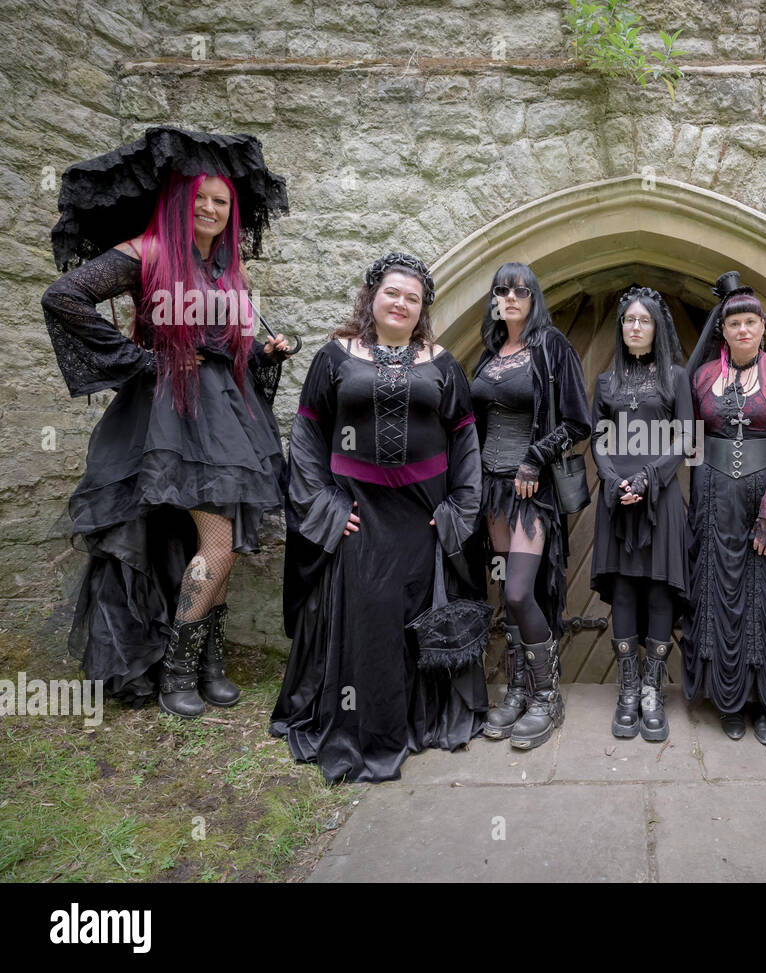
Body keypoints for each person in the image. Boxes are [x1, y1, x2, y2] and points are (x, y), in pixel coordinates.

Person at [43, 166, 290, 719]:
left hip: (225, 414)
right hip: (173, 413)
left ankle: (206, 665)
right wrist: (143, 360)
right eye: (199, 199)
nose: (209, 209)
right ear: (179, 203)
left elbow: (232, 346)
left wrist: (267, 350)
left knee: (220, 539)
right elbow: (65, 296)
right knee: (219, 542)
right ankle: (180, 670)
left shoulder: (230, 268)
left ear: (231, 213)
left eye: (221, 202)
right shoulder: (147, 251)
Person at [271, 252, 485, 783]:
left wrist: (460, 507)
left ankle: (418, 721)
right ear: (372, 297)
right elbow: (307, 434)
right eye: (393, 293)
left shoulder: (441, 363)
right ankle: (368, 727)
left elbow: (465, 440)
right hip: (359, 516)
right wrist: (322, 504)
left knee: (412, 616)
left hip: (421, 518)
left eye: (413, 298)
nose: (401, 303)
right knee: (370, 615)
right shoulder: (335, 356)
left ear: (423, 310)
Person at [472, 262, 591, 750]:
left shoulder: (551, 346)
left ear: (534, 296)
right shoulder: (488, 355)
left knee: (520, 591)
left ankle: (547, 696)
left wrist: (533, 459)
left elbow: (577, 421)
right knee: (506, 592)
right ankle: (518, 689)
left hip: (530, 491)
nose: (512, 296)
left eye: (522, 289)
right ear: (496, 299)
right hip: (491, 489)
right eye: (503, 289)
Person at [681, 272, 766, 745]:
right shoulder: (705, 376)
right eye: (735, 325)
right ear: (724, 331)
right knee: (715, 597)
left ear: (763, 326)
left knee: (764, 601)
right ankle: (728, 704)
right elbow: (691, 442)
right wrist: (695, 504)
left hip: (762, 500)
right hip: (713, 500)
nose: (743, 331)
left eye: (751, 322)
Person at [589, 286, 693, 741]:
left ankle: (653, 691)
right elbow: (597, 437)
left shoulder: (676, 376)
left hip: (661, 495)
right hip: (616, 498)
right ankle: (627, 690)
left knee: (658, 593)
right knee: (625, 589)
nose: (635, 327)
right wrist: (613, 480)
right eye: (629, 320)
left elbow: (688, 436)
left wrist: (650, 477)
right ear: (621, 327)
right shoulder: (607, 382)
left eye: (643, 320)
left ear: (656, 327)